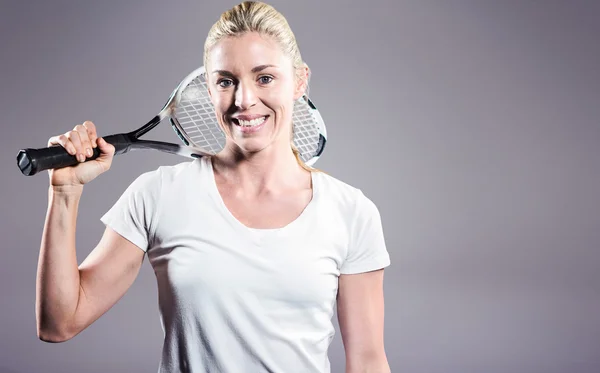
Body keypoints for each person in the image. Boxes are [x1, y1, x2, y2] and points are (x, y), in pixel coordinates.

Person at [35, 2, 391, 372]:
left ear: (300, 81)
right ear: (209, 88)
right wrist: (64, 192)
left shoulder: (351, 212)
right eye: (226, 81)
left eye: (264, 78)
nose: (244, 100)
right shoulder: (157, 195)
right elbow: (59, 323)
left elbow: (367, 361)